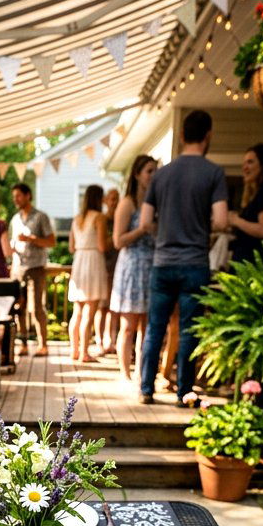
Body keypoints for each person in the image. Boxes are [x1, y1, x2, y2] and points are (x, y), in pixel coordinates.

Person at [137, 110, 228, 403]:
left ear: (182, 137)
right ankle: (183, 393)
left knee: (155, 329)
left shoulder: (161, 175)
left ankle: (146, 390)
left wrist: (165, 231)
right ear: (208, 136)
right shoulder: (213, 173)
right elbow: (221, 221)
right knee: (189, 331)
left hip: (163, 262)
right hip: (195, 263)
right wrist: (200, 225)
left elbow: (145, 222)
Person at [109, 156, 156, 384]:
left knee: (147, 327)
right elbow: (118, 241)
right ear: (137, 174)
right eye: (149, 171)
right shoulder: (127, 203)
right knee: (128, 326)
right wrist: (142, 230)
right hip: (131, 268)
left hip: (152, 267)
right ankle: (124, 373)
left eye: (155, 171)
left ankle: (141, 373)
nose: (153, 175)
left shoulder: (155, 202)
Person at [10, 182, 55, 358]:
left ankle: (43, 345)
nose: (15, 199)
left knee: (37, 308)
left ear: (28, 195)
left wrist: (31, 239)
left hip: (36, 267)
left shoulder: (41, 217)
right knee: (19, 307)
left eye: (18, 196)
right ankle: (23, 344)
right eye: (14, 196)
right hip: (17, 268)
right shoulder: (15, 219)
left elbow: (51, 242)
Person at [67, 185, 108, 364]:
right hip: (93, 261)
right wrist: (114, 239)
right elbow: (102, 246)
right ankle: (84, 352)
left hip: (79, 261)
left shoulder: (77, 218)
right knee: (90, 311)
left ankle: (74, 350)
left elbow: (71, 247)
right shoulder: (99, 217)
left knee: (77, 311)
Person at [228, 143, 263, 264]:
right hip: (245, 264)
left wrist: (237, 220)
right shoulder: (258, 195)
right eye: (244, 163)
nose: (245, 167)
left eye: (250, 162)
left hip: (253, 266)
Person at [94, 187, 120, 355]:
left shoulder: (121, 219)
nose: (114, 202)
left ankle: (111, 340)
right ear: (105, 201)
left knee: (114, 308)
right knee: (101, 308)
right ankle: (99, 340)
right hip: (103, 267)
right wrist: (117, 238)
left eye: (117, 198)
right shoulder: (102, 220)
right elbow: (102, 244)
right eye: (112, 199)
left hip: (118, 268)